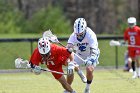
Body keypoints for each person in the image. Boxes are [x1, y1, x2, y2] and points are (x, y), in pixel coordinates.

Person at [67, 18, 100, 93]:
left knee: (89, 69)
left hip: (91, 54)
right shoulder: (73, 35)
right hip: (79, 54)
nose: (79, 36)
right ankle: (68, 88)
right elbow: (69, 46)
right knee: (71, 66)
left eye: (81, 34)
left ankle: (87, 88)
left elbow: (94, 51)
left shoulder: (91, 35)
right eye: (77, 34)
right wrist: (69, 48)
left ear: (85, 29)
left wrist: (90, 59)